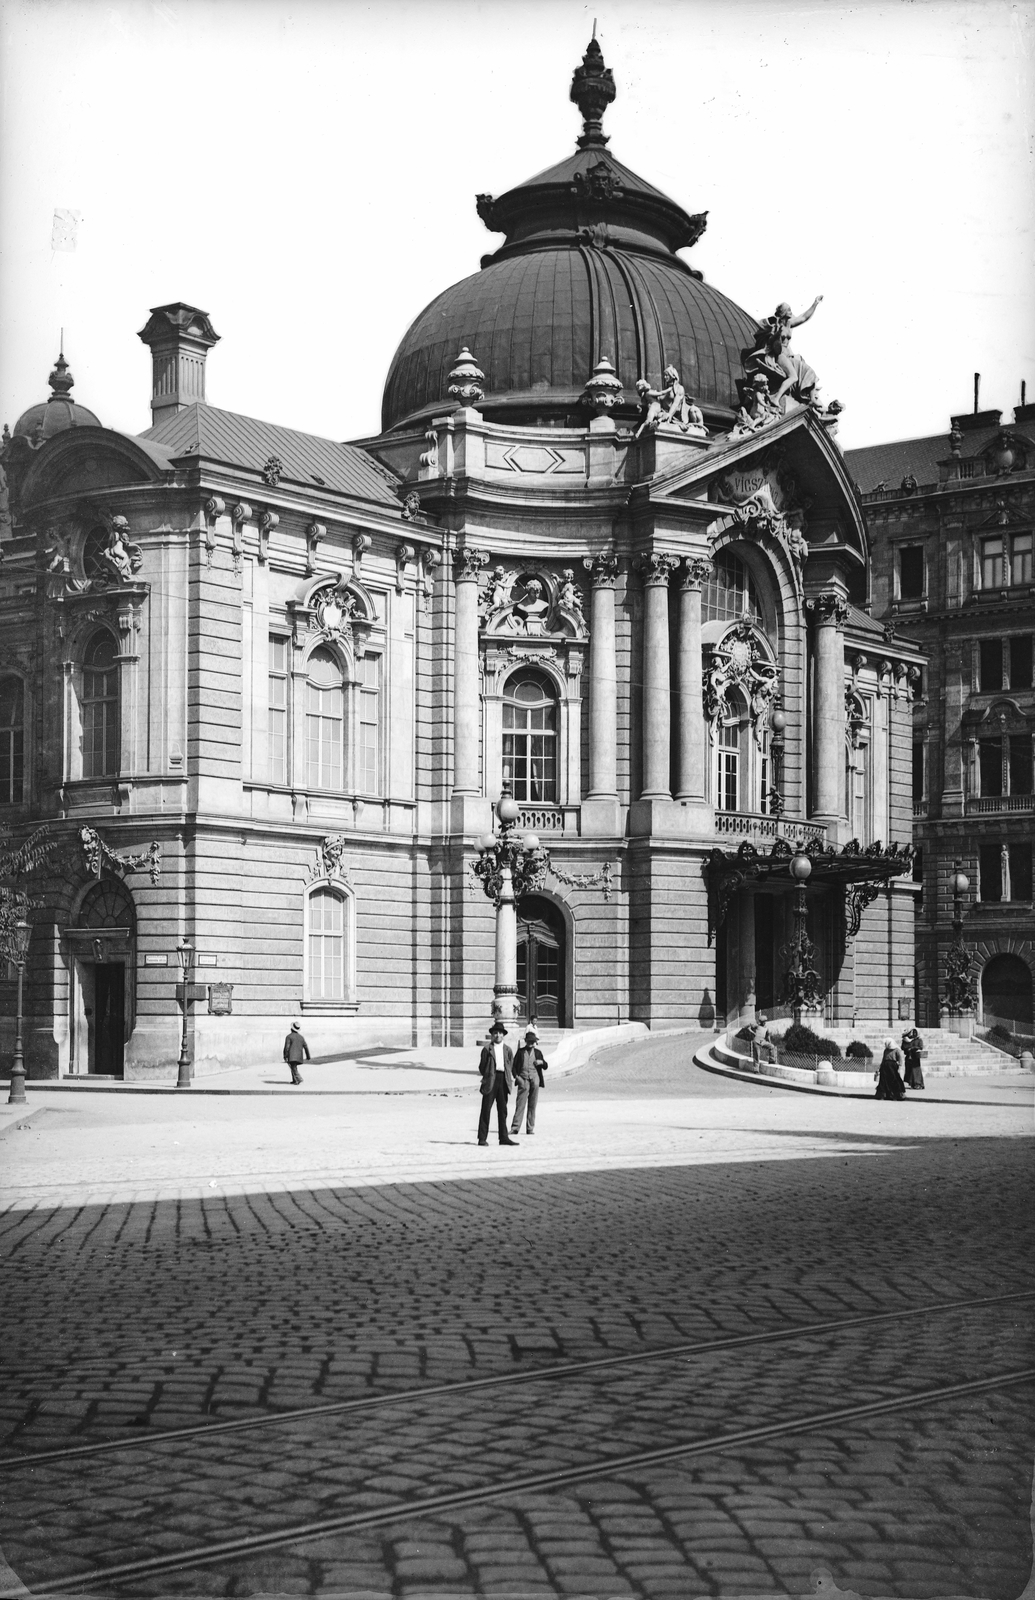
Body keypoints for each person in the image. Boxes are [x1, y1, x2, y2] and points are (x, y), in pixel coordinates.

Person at [477, 1021, 518, 1146]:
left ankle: (503, 1138)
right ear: (492, 1035)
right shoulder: (487, 1049)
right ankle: (482, 1138)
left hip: (503, 1080)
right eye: (495, 1033)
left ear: (503, 1035)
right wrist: (488, 1075)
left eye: (500, 1033)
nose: (498, 1035)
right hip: (491, 1080)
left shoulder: (507, 1050)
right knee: (486, 1109)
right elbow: (482, 1067)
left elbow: (510, 1064)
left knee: (503, 1110)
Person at [511, 1029, 548, 1135]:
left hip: (535, 1080)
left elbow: (545, 1066)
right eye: (529, 1041)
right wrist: (517, 1077)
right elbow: (513, 1066)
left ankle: (530, 1128)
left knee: (532, 1105)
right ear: (526, 1041)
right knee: (520, 1104)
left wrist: (541, 1062)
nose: (531, 1043)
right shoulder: (520, 1052)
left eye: (533, 1041)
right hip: (523, 1080)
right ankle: (515, 1127)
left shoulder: (538, 1053)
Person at [874, 1036, 906, 1100]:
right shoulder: (886, 1050)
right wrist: (879, 1068)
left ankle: (896, 1095)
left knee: (894, 1080)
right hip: (885, 1067)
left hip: (892, 1067)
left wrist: (899, 1066)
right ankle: (884, 1095)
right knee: (884, 1081)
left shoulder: (897, 1050)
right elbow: (883, 1059)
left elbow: (900, 1059)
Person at [283, 1021, 310, 1085]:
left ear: (291, 1029)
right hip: (299, 1055)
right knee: (293, 1067)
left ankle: (299, 1078)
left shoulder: (289, 1037)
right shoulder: (301, 1037)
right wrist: (308, 1056)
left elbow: (287, 1047)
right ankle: (294, 1080)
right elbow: (305, 1046)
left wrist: (285, 1055)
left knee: (293, 1067)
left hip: (291, 1055)